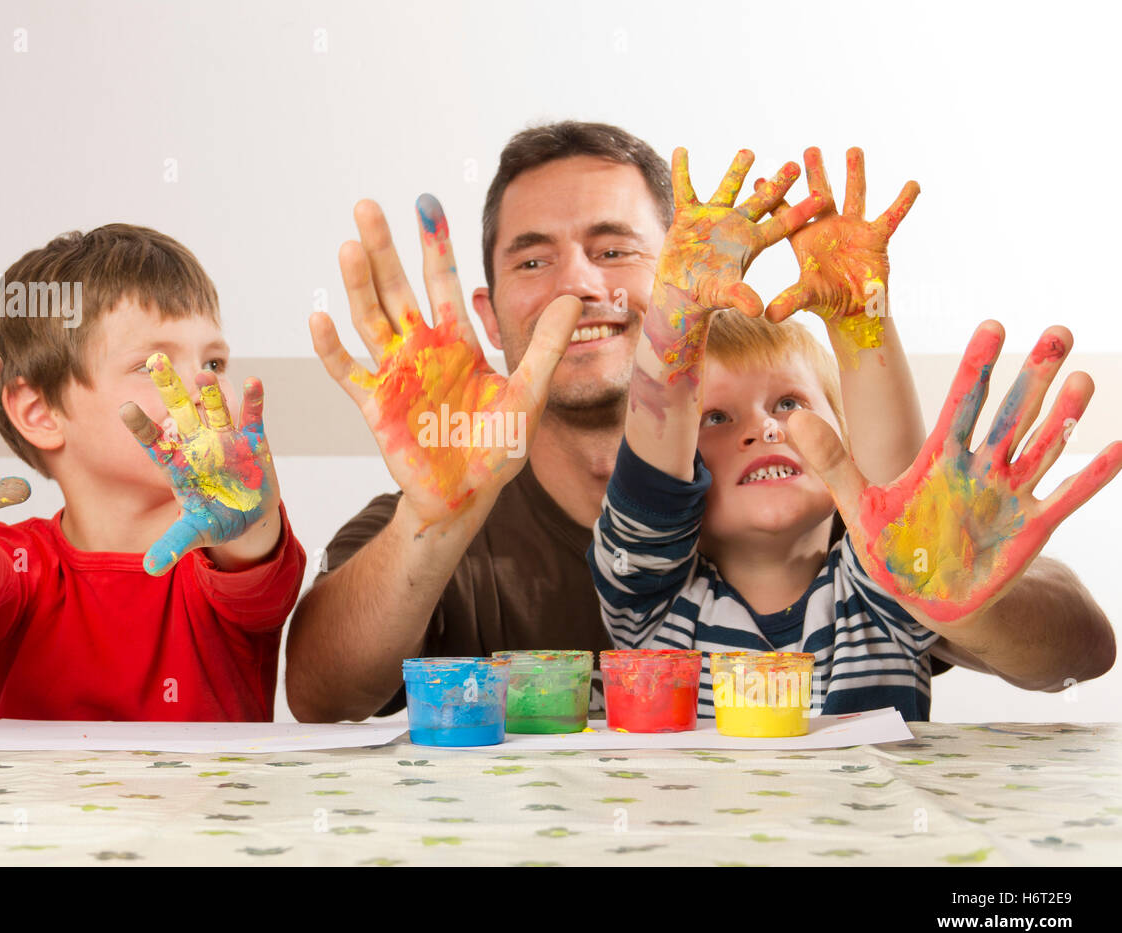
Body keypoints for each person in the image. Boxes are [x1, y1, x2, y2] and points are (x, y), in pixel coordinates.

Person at [287, 122, 1115, 723]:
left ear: (687, 268)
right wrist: (437, 522)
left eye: (616, 250)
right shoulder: (643, 577)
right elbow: (318, 695)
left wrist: (943, 584)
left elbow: (1077, 647)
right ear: (490, 311)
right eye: (534, 260)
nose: (578, 286)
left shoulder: (836, 526)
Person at [0, 224, 306, 721]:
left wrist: (248, 514)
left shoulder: (224, 562)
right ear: (40, 412)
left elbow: (255, 569)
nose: (202, 383)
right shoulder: (17, 571)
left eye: (213, 360)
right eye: (153, 364)